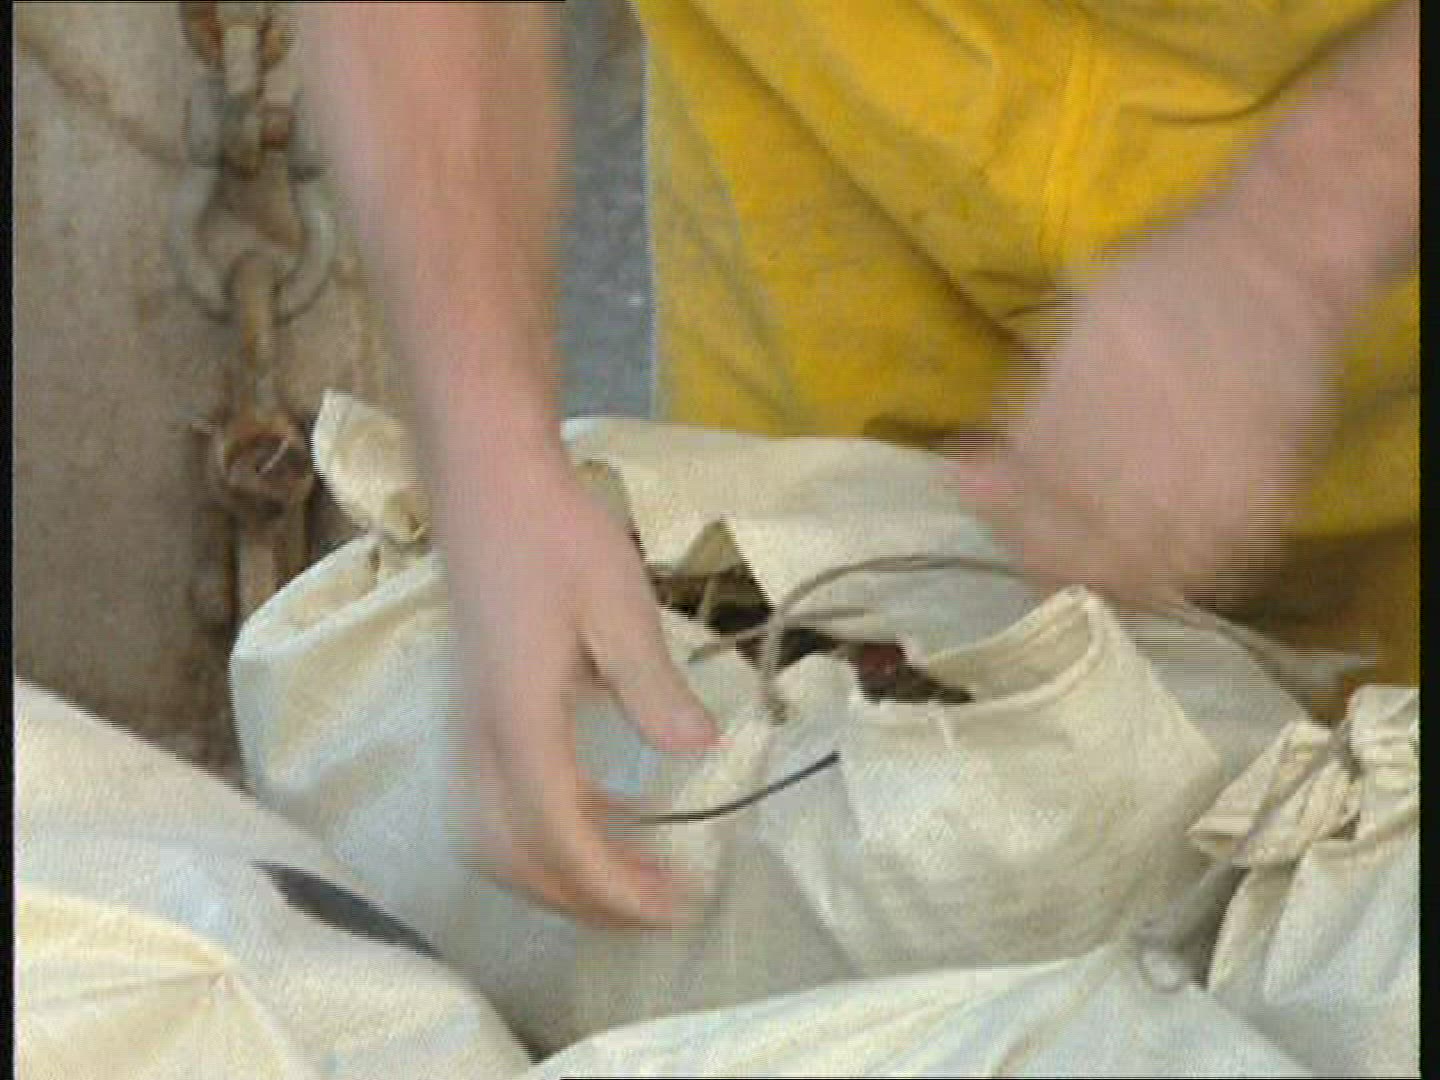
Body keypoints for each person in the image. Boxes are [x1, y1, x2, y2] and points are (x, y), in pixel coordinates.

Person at [296, 1, 1417, 931]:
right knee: (843, 880)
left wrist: (1292, 247)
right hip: (824, 193)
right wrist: (487, 448)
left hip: (1377, 286)